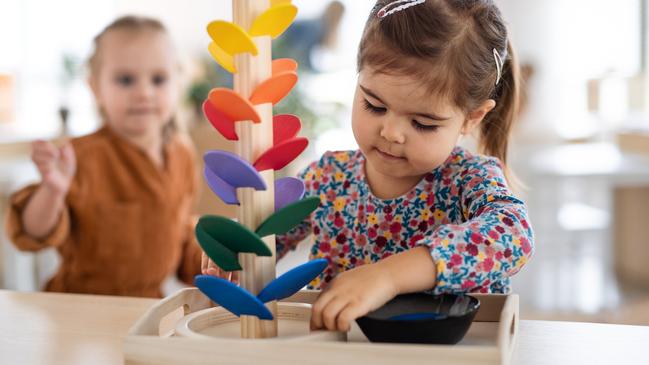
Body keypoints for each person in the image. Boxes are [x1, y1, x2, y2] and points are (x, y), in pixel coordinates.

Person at [203, 0, 535, 332]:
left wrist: (389, 276)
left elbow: (514, 236)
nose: (390, 133)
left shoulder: (469, 179)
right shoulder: (327, 178)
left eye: (422, 123)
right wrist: (236, 248)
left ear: (472, 118)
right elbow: (266, 240)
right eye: (374, 105)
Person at [5, 16, 202, 297]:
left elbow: (181, 230)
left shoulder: (182, 154)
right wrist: (52, 190)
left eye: (158, 79)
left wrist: (214, 264)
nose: (144, 92)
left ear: (177, 84)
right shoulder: (80, 157)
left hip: (146, 305)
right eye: (125, 80)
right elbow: (32, 233)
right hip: (80, 306)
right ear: (95, 88)